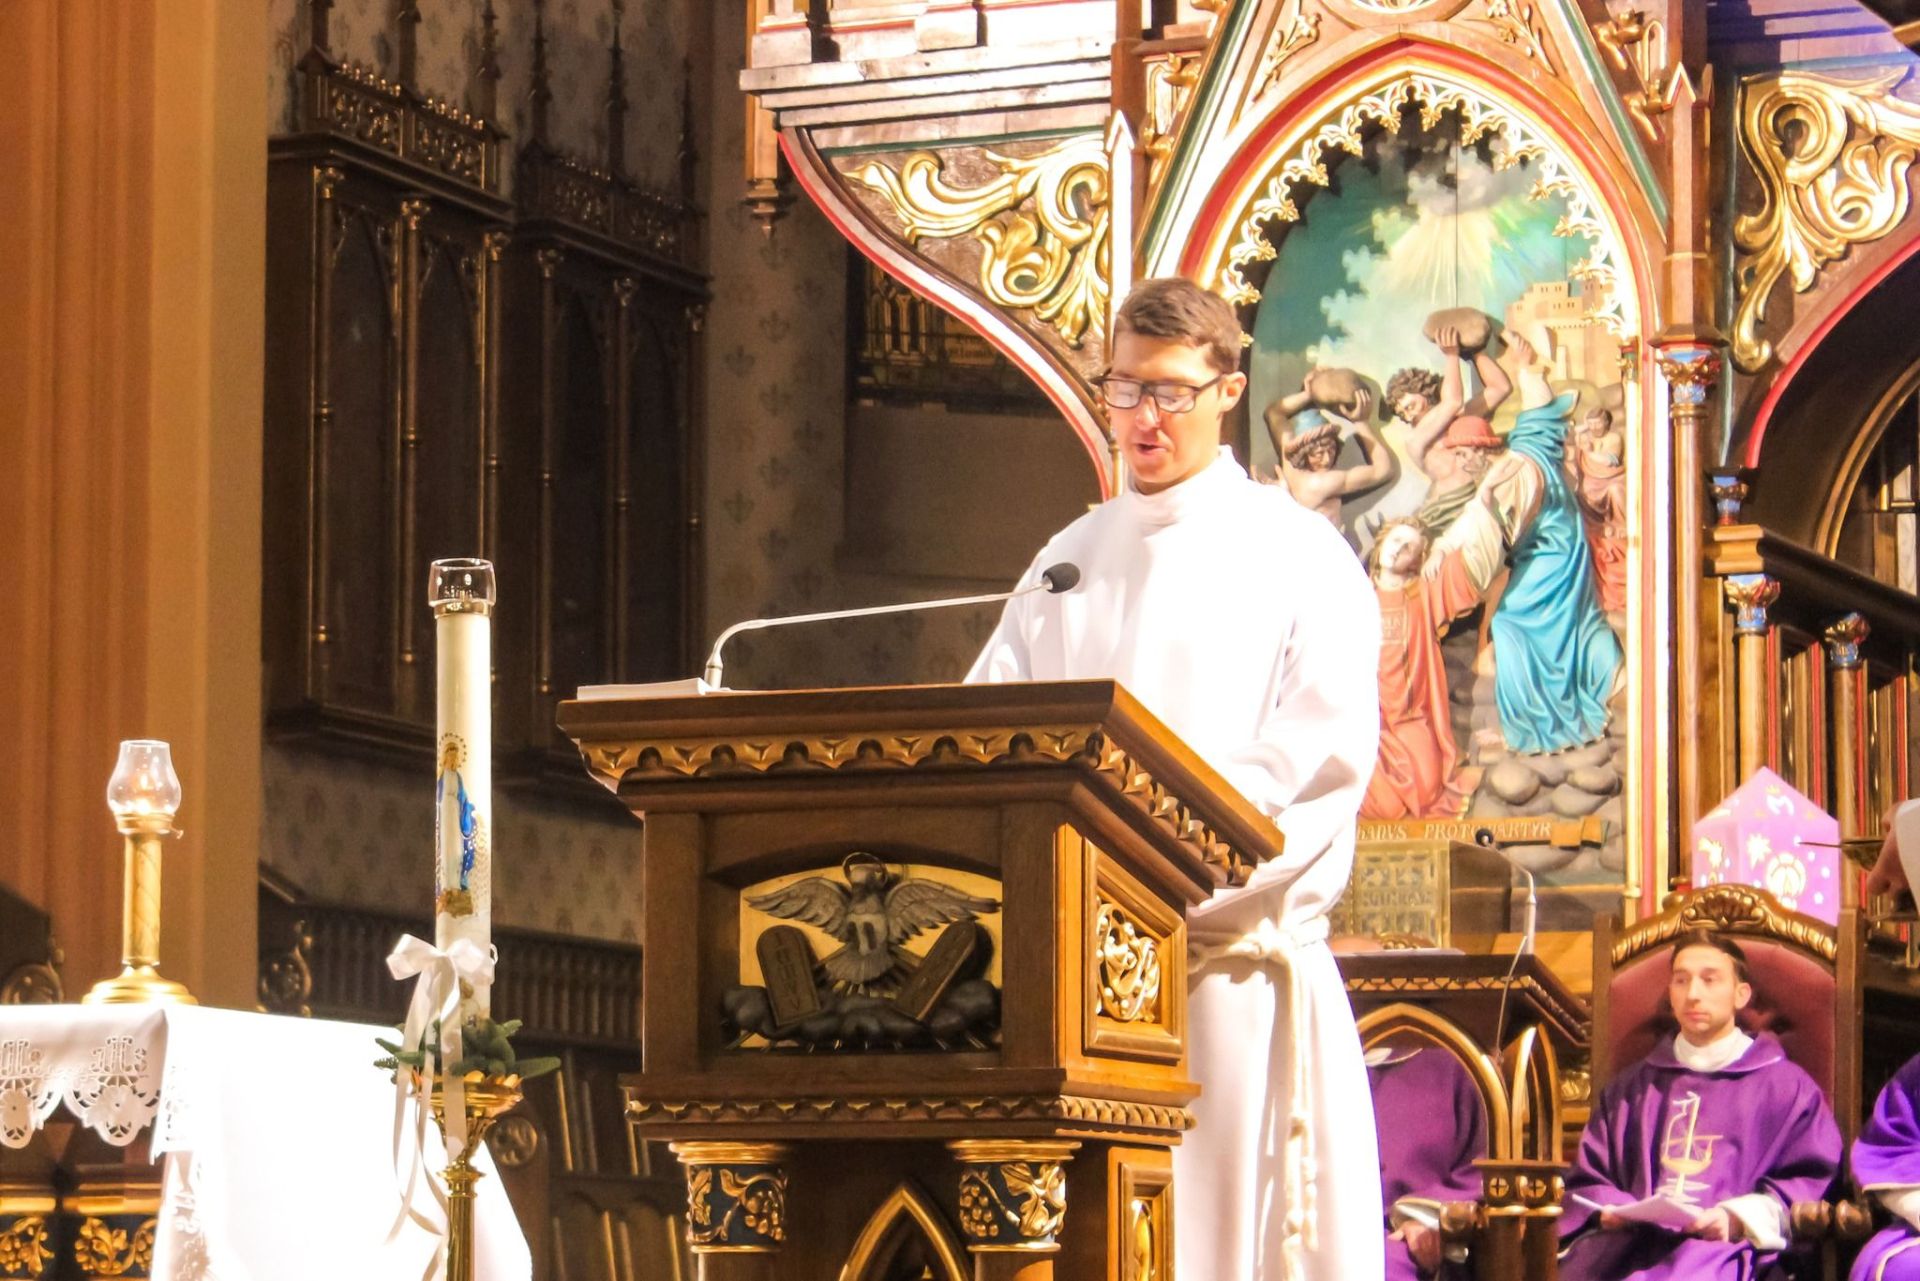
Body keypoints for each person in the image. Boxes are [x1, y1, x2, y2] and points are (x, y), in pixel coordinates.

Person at [968, 276, 1383, 1281]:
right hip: (1075, 992)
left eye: (1169, 392)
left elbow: (1315, 767)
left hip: (1228, 980)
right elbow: (987, 740)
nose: (1142, 418)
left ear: (1228, 391)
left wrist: (1147, 892)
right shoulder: (1068, 560)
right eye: (1123, 389)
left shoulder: (1300, 554)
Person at [1560, 930, 1841, 1280]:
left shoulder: (1787, 1088)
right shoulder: (1630, 1089)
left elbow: (1811, 1183)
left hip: (1729, 1247)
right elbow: (1588, 1178)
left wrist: (1736, 1218)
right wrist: (1609, 1209)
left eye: (1710, 980)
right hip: (1631, 1244)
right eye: (1681, 980)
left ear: (1741, 995)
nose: (1693, 994)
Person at [1437, 334, 1621, 756]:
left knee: (1510, 626)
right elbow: (1539, 413)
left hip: (1547, 557)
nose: (1463, 461)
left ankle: (1530, 727)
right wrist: (1526, 367)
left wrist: (1450, 541)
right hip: (1563, 551)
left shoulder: (1515, 467)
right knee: (1532, 624)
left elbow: (1488, 524)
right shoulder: (1538, 452)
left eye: (1466, 453)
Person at [1360, 512, 1501, 820]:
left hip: (1413, 720)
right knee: (1379, 803)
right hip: (1368, 725)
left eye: (1409, 547)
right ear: (1381, 543)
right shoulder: (1355, 599)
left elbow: (1472, 559)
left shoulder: (1422, 594)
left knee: (1425, 789)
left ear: (1418, 559)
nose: (1399, 549)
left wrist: (1443, 548)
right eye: (1396, 540)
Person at [1369, 1043, 1487, 1280]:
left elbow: (1479, 1172)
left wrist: (1426, 1218)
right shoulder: (1315, 1064)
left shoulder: (1457, 1066)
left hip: (1414, 1245)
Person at [1265, 375, 1396, 526]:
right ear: (1303, 453)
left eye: (1331, 449)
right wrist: (1362, 422)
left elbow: (1274, 413)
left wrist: (1309, 394)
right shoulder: (1321, 483)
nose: (1327, 459)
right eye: (1318, 454)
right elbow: (1383, 470)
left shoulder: (1289, 460)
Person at [1567, 406, 1628, 616]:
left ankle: (1620, 523)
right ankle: (1593, 525)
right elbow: (1571, 436)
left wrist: (1589, 451)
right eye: (1591, 424)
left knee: (1616, 491)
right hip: (1591, 482)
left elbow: (1611, 461)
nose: (1594, 428)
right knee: (1581, 493)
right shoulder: (1586, 438)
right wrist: (1583, 430)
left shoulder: (1613, 438)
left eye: (1597, 423)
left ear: (1607, 422)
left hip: (1611, 479)